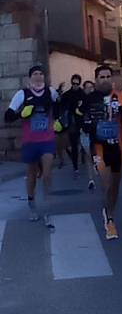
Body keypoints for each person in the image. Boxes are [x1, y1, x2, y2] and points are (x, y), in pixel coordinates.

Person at [77, 65, 122, 240]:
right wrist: (88, 124)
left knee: (115, 187)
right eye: (102, 77)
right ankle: (109, 220)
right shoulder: (89, 99)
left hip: (118, 147)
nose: (105, 80)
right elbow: (80, 119)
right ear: (96, 80)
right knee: (107, 183)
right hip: (99, 147)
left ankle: (109, 210)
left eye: (108, 76)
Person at [4, 65, 62, 230]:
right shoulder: (22, 94)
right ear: (30, 77)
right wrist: (20, 114)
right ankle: (32, 204)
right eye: (35, 74)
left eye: (41, 73)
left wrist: (57, 120)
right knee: (31, 174)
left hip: (47, 140)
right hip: (30, 141)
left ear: (44, 77)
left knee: (47, 174)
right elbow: (7, 116)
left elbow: (59, 105)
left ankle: (48, 210)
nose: (38, 76)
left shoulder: (50, 92)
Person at [60, 74, 86, 178]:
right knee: (74, 145)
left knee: (84, 143)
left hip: (82, 121)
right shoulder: (67, 94)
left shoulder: (82, 94)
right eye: (73, 83)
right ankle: (75, 166)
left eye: (77, 83)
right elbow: (62, 106)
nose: (75, 85)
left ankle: (84, 157)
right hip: (72, 122)